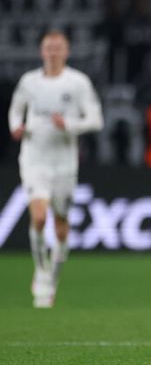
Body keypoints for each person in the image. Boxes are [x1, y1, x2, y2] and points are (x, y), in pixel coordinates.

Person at [7, 30, 104, 308]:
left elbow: (96, 120)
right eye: (48, 47)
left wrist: (70, 125)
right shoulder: (29, 82)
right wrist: (16, 127)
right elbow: (15, 110)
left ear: (66, 51)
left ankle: (53, 278)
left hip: (64, 163)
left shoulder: (78, 82)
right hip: (34, 159)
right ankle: (41, 271)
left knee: (61, 228)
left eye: (57, 47)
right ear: (41, 51)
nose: (52, 52)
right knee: (38, 218)